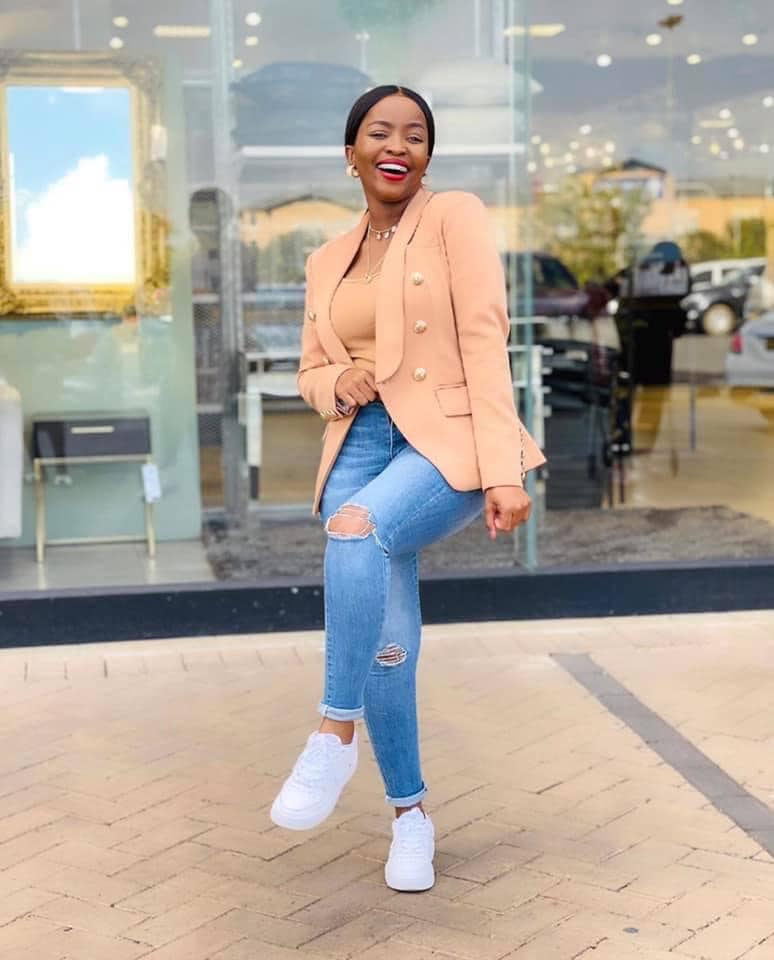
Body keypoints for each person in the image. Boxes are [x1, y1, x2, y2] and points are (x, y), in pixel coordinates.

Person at [270, 85, 546, 892]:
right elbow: (309, 371)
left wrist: (503, 470)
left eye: (416, 134)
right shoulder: (326, 258)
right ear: (351, 152)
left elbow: (485, 339)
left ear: (427, 154)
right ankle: (410, 817)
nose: (398, 145)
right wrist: (337, 382)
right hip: (359, 442)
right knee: (387, 652)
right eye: (380, 132)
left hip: (443, 440)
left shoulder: (453, 216)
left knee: (356, 528)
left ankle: (333, 732)